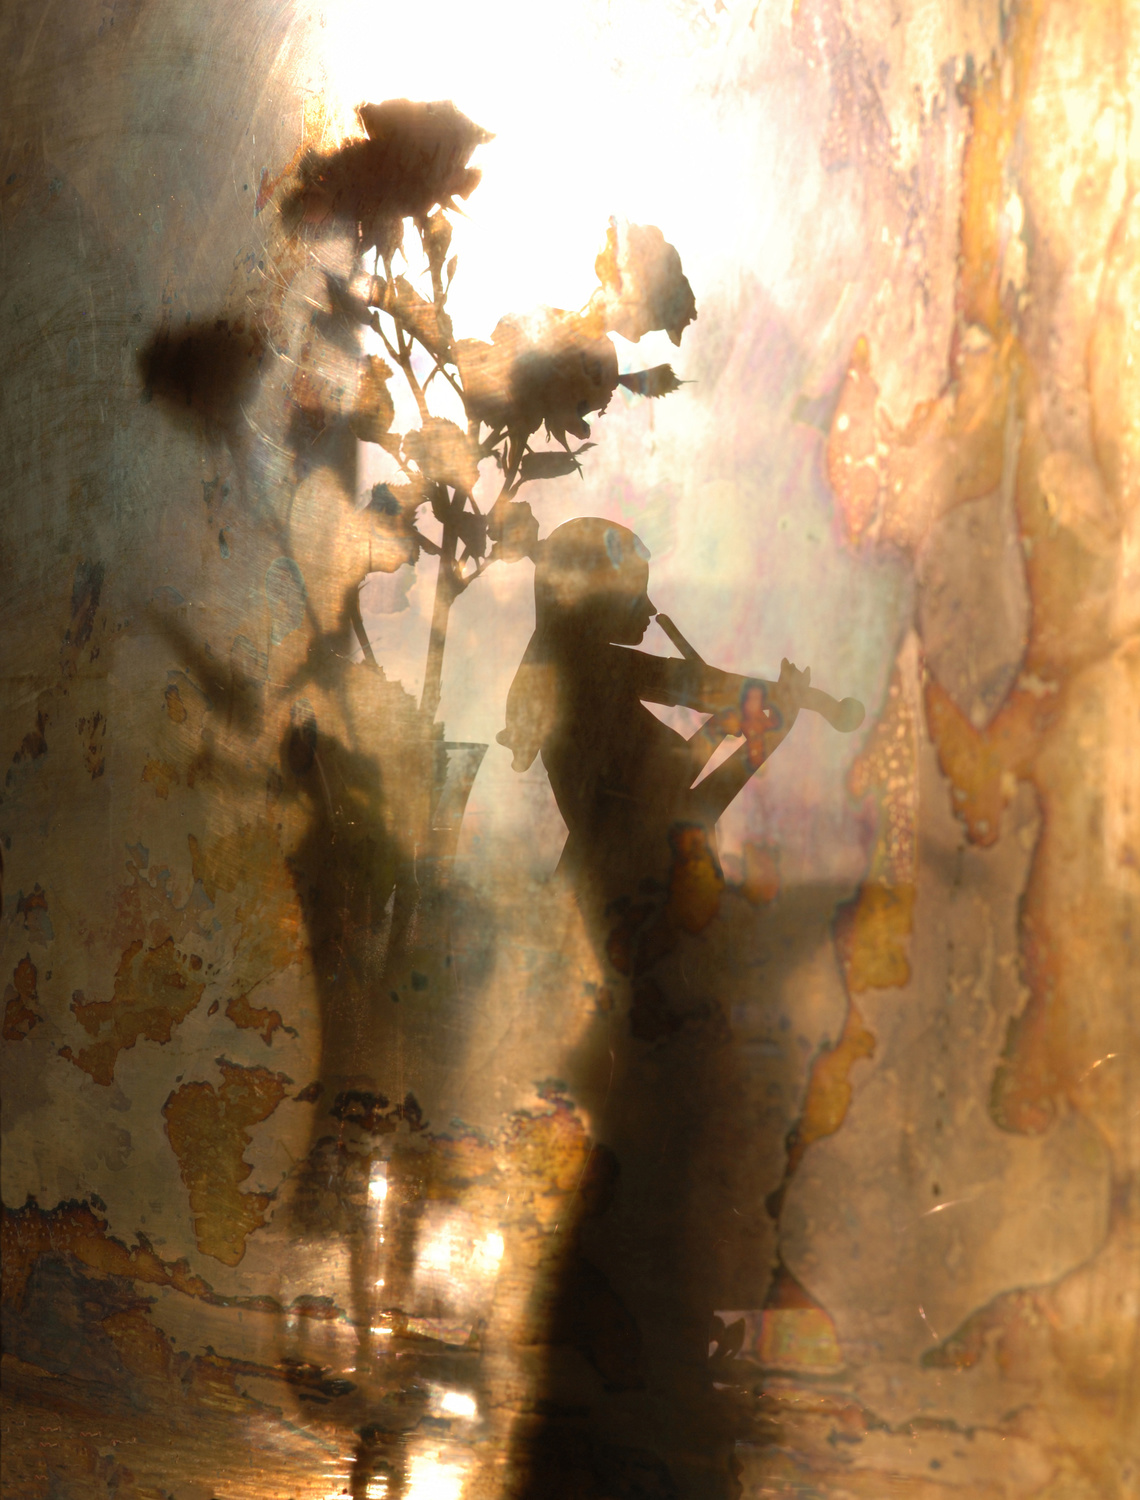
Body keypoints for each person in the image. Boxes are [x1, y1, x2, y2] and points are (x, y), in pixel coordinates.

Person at [498, 516, 811, 937]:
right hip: (644, 920)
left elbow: (672, 792)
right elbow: (680, 801)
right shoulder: (591, 671)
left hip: (623, 911)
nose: (649, 609)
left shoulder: (572, 676)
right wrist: (768, 722)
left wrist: (731, 724)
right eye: (634, 594)